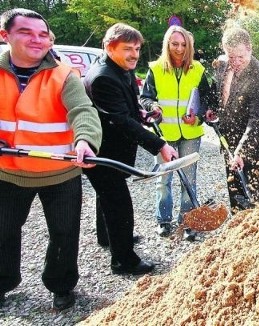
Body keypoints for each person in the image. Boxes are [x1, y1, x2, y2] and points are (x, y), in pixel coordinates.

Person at [0, 8, 102, 310]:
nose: (37, 39)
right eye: (26, 32)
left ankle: (60, 285)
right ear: (5, 36)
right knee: (3, 232)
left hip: (60, 172)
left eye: (43, 34)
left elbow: (83, 111)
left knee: (64, 233)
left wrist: (85, 141)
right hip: (8, 173)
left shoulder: (64, 75)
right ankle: (3, 281)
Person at [83, 23, 178, 275]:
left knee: (107, 197)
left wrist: (144, 115)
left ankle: (107, 237)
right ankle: (123, 260)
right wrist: (159, 145)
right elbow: (119, 120)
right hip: (103, 153)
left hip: (113, 150)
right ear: (108, 46)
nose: (134, 54)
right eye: (127, 49)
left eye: (136, 48)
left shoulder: (121, 70)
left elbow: (128, 108)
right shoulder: (103, 77)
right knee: (119, 204)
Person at [140, 25, 214, 238]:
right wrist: (153, 108)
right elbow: (145, 97)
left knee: (189, 179)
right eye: (175, 44)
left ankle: (188, 220)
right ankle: (163, 220)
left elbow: (207, 100)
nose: (179, 49)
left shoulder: (198, 69)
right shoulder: (155, 69)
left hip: (191, 133)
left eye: (183, 45)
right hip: (164, 134)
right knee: (164, 179)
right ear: (167, 45)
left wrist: (198, 116)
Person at [208, 27, 259, 211]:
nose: (236, 62)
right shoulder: (221, 65)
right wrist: (212, 110)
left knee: (254, 194)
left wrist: (242, 151)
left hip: (254, 145)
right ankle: (237, 223)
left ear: (250, 49)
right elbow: (218, 95)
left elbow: (258, 121)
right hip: (228, 138)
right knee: (235, 190)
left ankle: (258, 230)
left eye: (241, 57)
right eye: (231, 57)